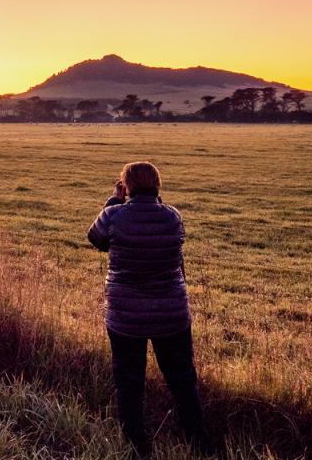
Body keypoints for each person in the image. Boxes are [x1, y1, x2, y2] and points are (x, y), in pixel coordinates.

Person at [88, 161, 210, 456]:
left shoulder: (114, 215)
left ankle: (136, 446)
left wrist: (115, 200)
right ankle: (200, 443)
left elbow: (97, 240)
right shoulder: (173, 217)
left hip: (126, 316)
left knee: (129, 381)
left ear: (126, 185)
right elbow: (165, 232)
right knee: (182, 380)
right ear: (158, 185)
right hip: (172, 313)